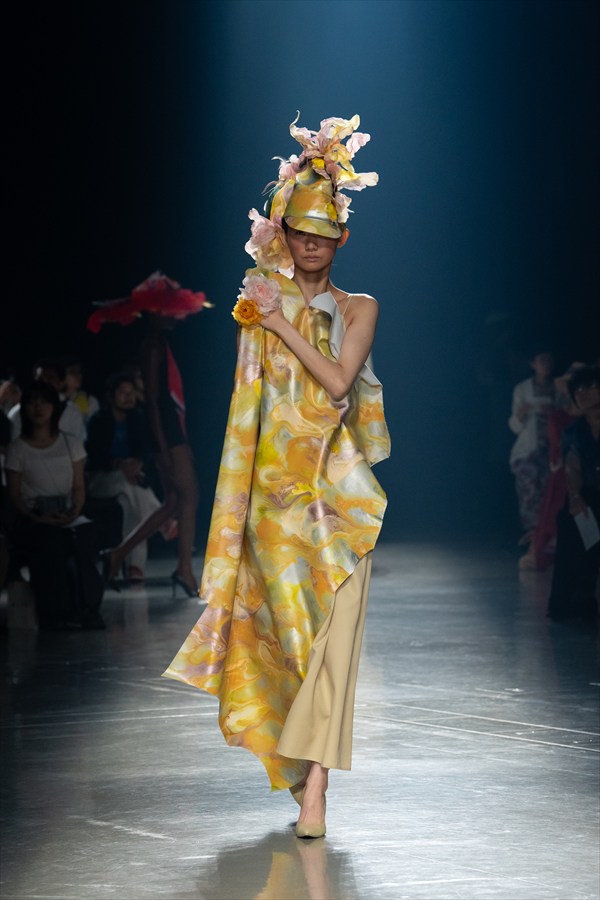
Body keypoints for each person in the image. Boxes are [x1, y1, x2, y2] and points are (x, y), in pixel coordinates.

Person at [163, 114, 390, 838]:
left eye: (325, 232)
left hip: (341, 500)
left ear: (342, 237)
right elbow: (247, 405)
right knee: (285, 642)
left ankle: (317, 784)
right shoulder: (258, 298)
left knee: (333, 648)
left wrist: (280, 321)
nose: (312, 243)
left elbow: (337, 382)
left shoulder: (359, 307)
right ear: (284, 234)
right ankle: (301, 773)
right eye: (300, 231)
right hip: (272, 503)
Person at [86, 271, 210, 596]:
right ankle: (184, 569)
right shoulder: (152, 346)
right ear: (155, 312)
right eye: (168, 310)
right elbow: (153, 402)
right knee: (189, 496)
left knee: (174, 502)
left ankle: (119, 554)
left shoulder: (157, 343)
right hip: (167, 432)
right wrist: (165, 448)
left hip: (169, 430)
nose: (174, 315)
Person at [4, 381, 104, 630]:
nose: (38, 407)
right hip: (33, 515)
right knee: (49, 541)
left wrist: (74, 511)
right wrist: (38, 517)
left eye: (44, 402)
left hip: (66, 510)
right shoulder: (18, 448)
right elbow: (14, 495)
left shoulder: (70, 443)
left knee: (85, 536)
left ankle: (88, 607)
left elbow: (79, 486)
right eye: (32, 402)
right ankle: (57, 612)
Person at [86, 373, 162, 583]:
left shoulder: (138, 419)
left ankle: (135, 567)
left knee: (131, 506)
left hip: (131, 481)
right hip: (101, 480)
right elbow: (94, 454)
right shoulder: (98, 421)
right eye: (122, 392)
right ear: (111, 396)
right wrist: (118, 464)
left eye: (131, 392)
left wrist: (137, 462)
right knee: (126, 481)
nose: (128, 397)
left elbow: (147, 450)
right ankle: (162, 519)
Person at [547, 365, 600, 622]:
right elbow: (573, 466)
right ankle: (576, 598)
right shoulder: (574, 431)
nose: (583, 393)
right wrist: (576, 497)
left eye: (589, 387)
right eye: (577, 389)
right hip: (590, 493)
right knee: (571, 519)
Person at [508, 349, 562, 555]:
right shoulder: (522, 388)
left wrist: (553, 413)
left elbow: (566, 414)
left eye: (549, 359)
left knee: (550, 494)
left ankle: (546, 540)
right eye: (541, 360)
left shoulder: (558, 388)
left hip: (552, 450)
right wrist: (522, 413)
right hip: (528, 450)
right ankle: (531, 540)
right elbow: (515, 425)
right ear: (533, 363)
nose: (546, 363)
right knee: (529, 495)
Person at [8, 358, 86, 442]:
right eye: (40, 379)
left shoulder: (72, 412)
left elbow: (78, 442)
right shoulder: (18, 411)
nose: (44, 382)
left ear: (61, 382)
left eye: (50, 378)